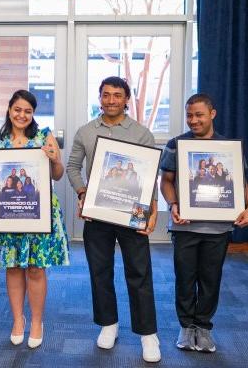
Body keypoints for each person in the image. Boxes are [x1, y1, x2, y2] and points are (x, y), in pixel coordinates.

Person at [66, 76, 160, 362]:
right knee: (100, 271)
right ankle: (109, 324)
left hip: (133, 212)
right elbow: (72, 166)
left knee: (139, 272)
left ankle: (148, 334)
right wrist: (83, 192)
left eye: (117, 95)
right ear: (100, 97)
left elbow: (149, 176)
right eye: (106, 95)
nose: (111, 100)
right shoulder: (85, 131)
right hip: (97, 213)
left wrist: (152, 210)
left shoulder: (142, 133)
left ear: (126, 99)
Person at [159, 93, 248, 353]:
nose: (194, 120)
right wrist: (173, 205)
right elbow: (166, 181)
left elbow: (239, 181)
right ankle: (185, 327)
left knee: (211, 278)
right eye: (189, 115)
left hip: (218, 227)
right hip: (184, 225)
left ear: (212, 114)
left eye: (199, 115)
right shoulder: (175, 144)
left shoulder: (228, 148)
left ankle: (203, 328)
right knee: (184, 278)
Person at [0, 89, 68, 349]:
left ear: (33, 113)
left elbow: (58, 174)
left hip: (38, 213)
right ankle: (18, 320)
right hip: (7, 213)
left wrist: (53, 160)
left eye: (28, 111)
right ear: (9, 110)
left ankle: (37, 322)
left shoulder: (44, 135)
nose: (22, 115)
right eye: (17, 110)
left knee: (36, 267)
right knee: (13, 266)